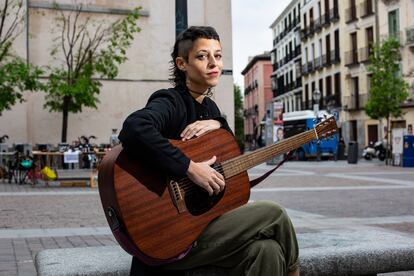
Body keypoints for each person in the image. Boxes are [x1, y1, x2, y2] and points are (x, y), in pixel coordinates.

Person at [119, 26, 299, 276]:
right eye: (202, 56)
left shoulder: (210, 108)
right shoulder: (171, 101)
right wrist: (190, 168)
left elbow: (223, 140)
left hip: (204, 226)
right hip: (173, 238)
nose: (213, 63)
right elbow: (134, 128)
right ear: (182, 64)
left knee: (267, 250)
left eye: (218, 55)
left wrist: (219, 123)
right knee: (274, 214)